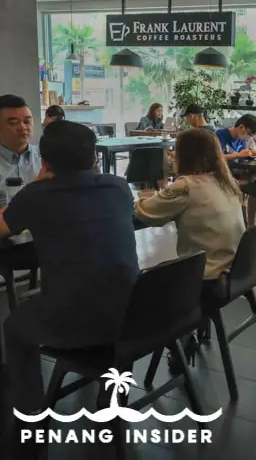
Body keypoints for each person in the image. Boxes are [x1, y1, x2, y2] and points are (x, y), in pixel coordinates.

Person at [0, 121, 139, 459]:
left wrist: (34, 185)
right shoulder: (120, 187)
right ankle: (112, 393)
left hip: (75, 326)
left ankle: (30, 415)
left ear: (44, 162)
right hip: (136, 320)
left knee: (14, 325)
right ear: (94, 156)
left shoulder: (36, 195)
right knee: (106, 285)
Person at [135, 127, 246, 358]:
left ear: (185, 154)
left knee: (141, 287)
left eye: (175, 150)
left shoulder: (186, 187)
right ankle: (188, 332)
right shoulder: (228, 183)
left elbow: (145, 213)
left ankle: (182, 336)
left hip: (205, 280)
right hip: (233, 273)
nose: (173, 155)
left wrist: (138, 199)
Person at [0, 95, 42, 293]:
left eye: (27, 121)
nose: (23, 127)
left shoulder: (45, 157)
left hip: (42, 235)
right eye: (13, 122)